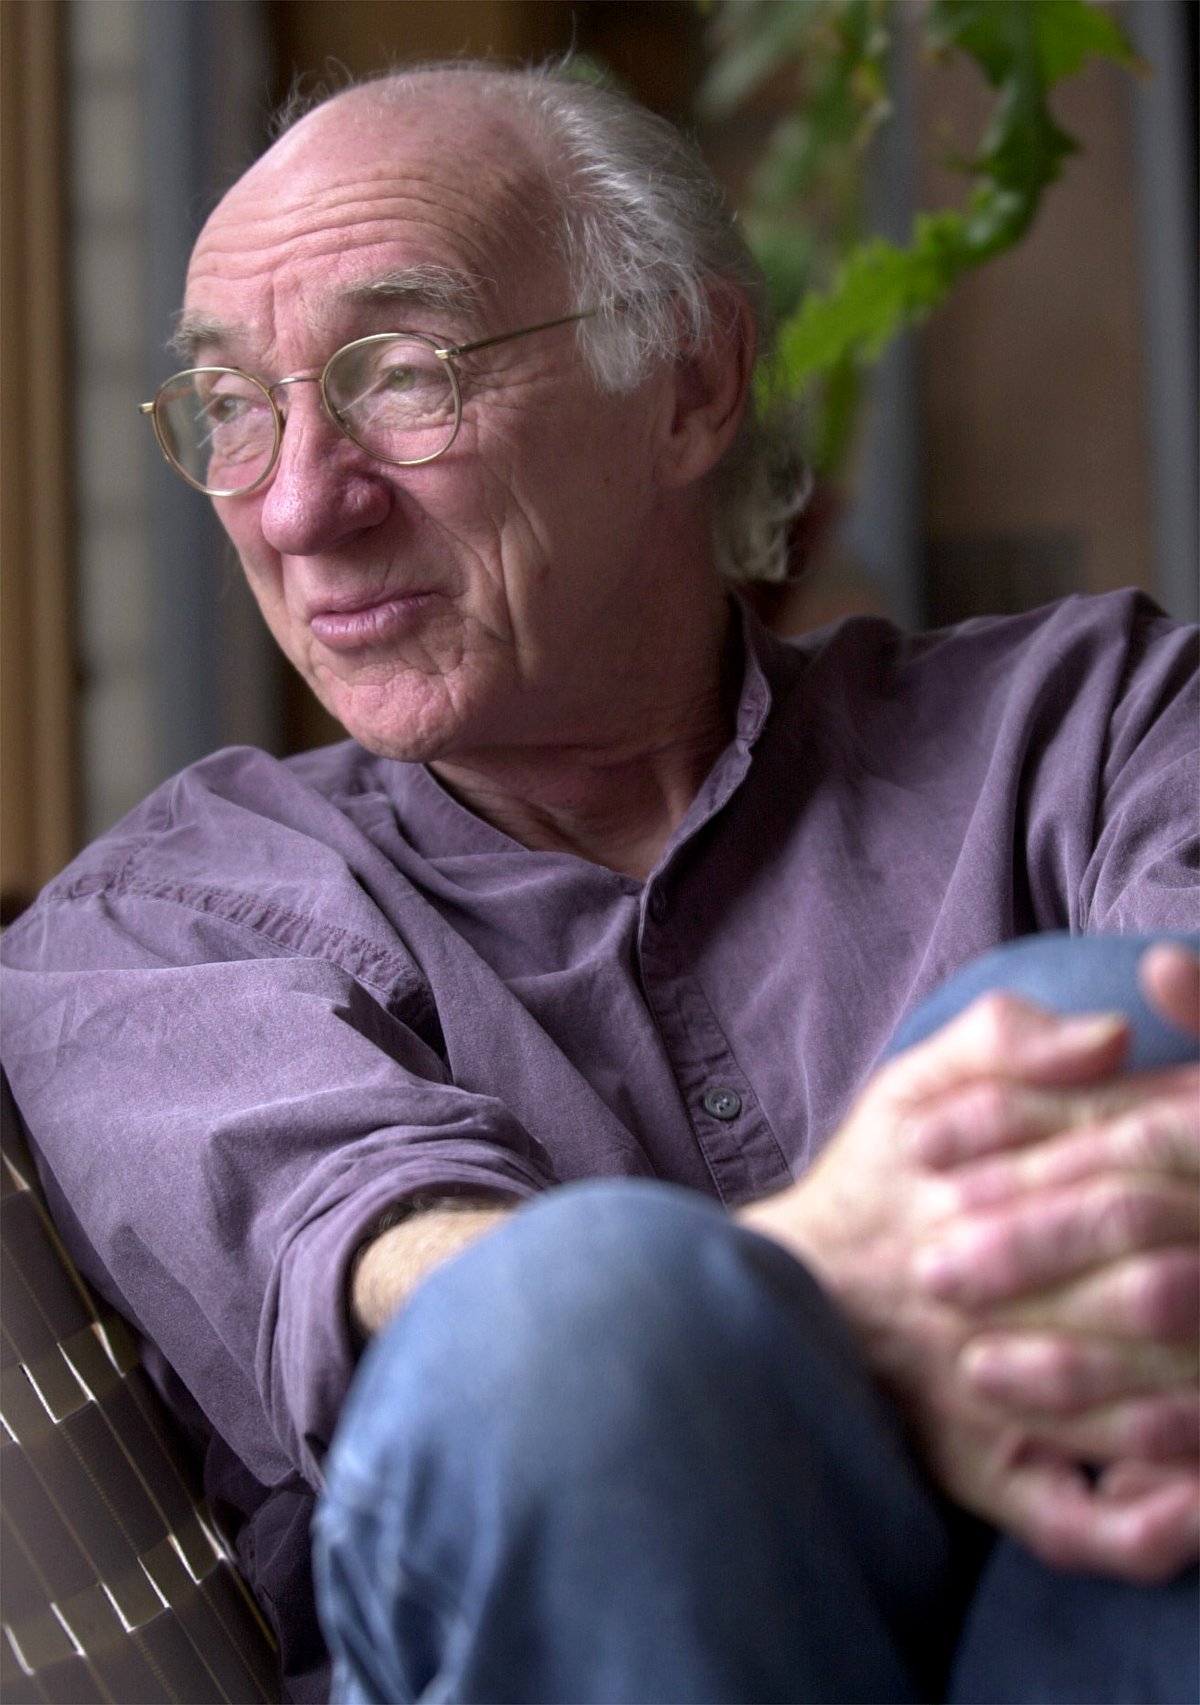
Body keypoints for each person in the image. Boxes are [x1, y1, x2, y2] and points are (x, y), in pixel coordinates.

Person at [1, 60, 1196, 1705]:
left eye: (400, 377)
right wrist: (822, 1278)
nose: (297, 505)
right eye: (232, 410)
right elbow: (411, 1275)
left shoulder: (1099, 725)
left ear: (691, 383)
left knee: (1090, 1023)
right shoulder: (161, 929)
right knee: (567, 1325)